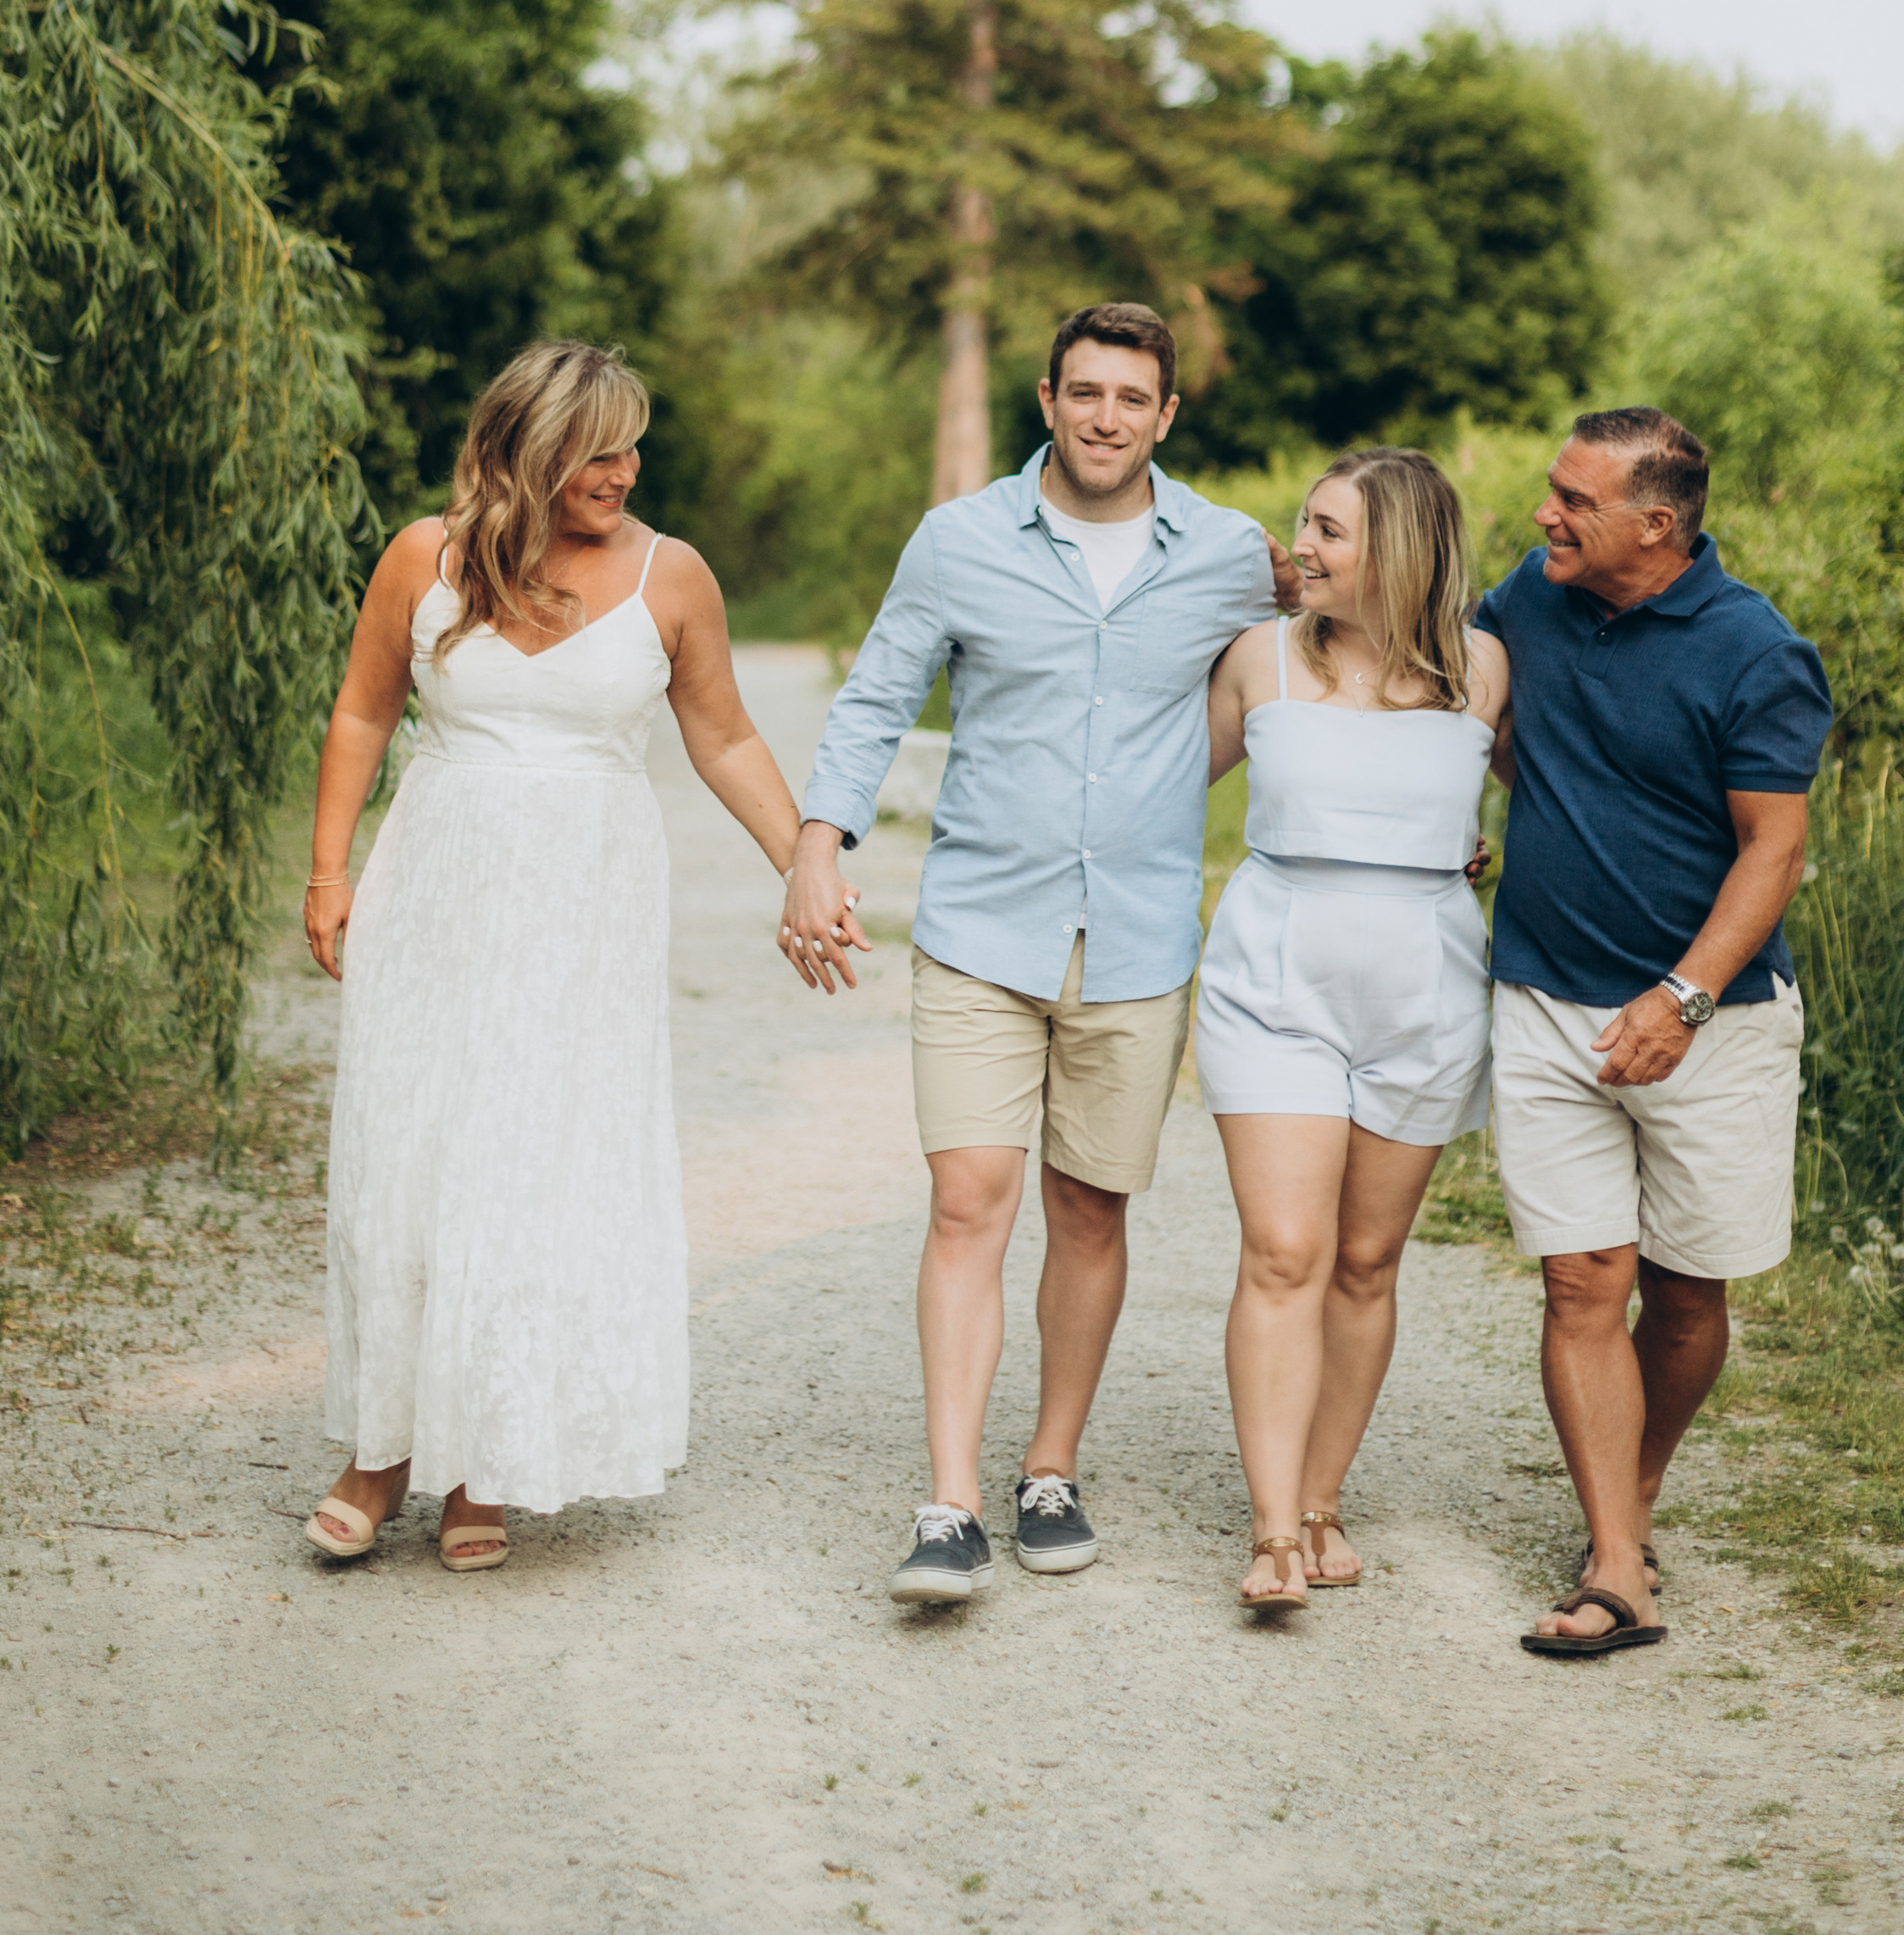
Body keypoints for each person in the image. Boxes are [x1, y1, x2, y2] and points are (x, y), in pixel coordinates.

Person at [782, 302, 1302, 1605]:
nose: (1106, 418)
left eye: (1132, 398)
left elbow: (1348, 643)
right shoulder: (959, 543)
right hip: (979, 930)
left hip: (1136, 941)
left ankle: (1049, 1467)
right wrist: (814, 845)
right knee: (970, 1202)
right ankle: (950, 1502)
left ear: (1166, 416)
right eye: (1085, 393)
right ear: (1047, 397)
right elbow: (877, 696)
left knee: (1090, 1209)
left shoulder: (1232, 554)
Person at [300, 339, 806, 1573]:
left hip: (584, 909)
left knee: (535, 1164)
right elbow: (365, 707)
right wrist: (328, 869)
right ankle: (381, 1451)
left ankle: (485, 1464)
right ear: (530, 449)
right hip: (437, 888)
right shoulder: (427, 556)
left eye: (634, 446)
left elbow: (727, 738)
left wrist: (807, 860)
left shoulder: (671, 577)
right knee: (409, 1152)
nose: (625, 470)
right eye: (600, 449)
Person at [1475, 406, 1833, 1660]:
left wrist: (1681, 998)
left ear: (1657, 523)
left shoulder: (1757, 653)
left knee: (1685, 1297)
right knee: (1581, 1278)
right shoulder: (1534, 590)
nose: (1543, 518)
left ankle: (1636, 1493)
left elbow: (1772, 849)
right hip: (1545, 996)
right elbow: (1450, 687)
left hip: (1711, 1023)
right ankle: (1618, 1564)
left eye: (1573, 500)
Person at [1196, 448, 1504, 1612]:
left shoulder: (1484, 669)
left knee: (1367, 1262)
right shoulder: (1257, 658)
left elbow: (1567, 797)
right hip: (1275, 979)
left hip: (1425, 987)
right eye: (1304, 524)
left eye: (1328, 532)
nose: (1303, 549)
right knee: (1285, 1249)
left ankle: (1324, 1499)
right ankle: (1273, 1532)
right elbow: (1153, 791)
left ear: (1404, 551)